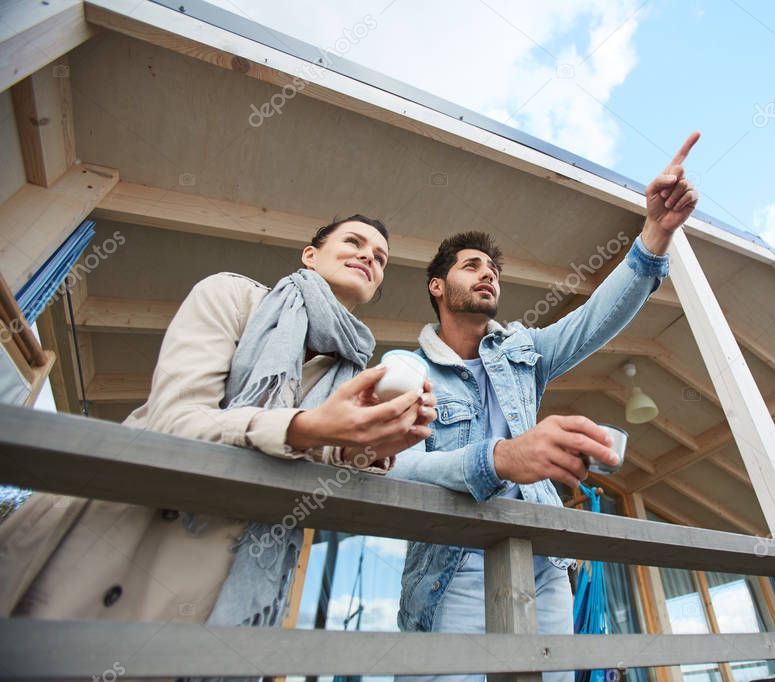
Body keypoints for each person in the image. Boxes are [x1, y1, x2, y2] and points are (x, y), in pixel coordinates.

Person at [0, 215, 437, 631]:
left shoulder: (352, 372)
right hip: (116, 534)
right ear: (310, 255)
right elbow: (175, 421)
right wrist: (306, 427)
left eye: (380, 258)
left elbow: (318, 475)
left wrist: (370, 449)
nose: (369, 258)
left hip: (215, 578)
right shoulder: (231, 296)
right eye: (354, 243)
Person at [390, 133, 702, 682]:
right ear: (437, 285)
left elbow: (594, 319)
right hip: (452, 566)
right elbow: (396, 467)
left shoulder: (523, 353)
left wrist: (653, 235)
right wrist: (499, 459)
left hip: (543, 565)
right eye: (471, 266)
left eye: (493, 268)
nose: (487, 273)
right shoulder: (407, 368)